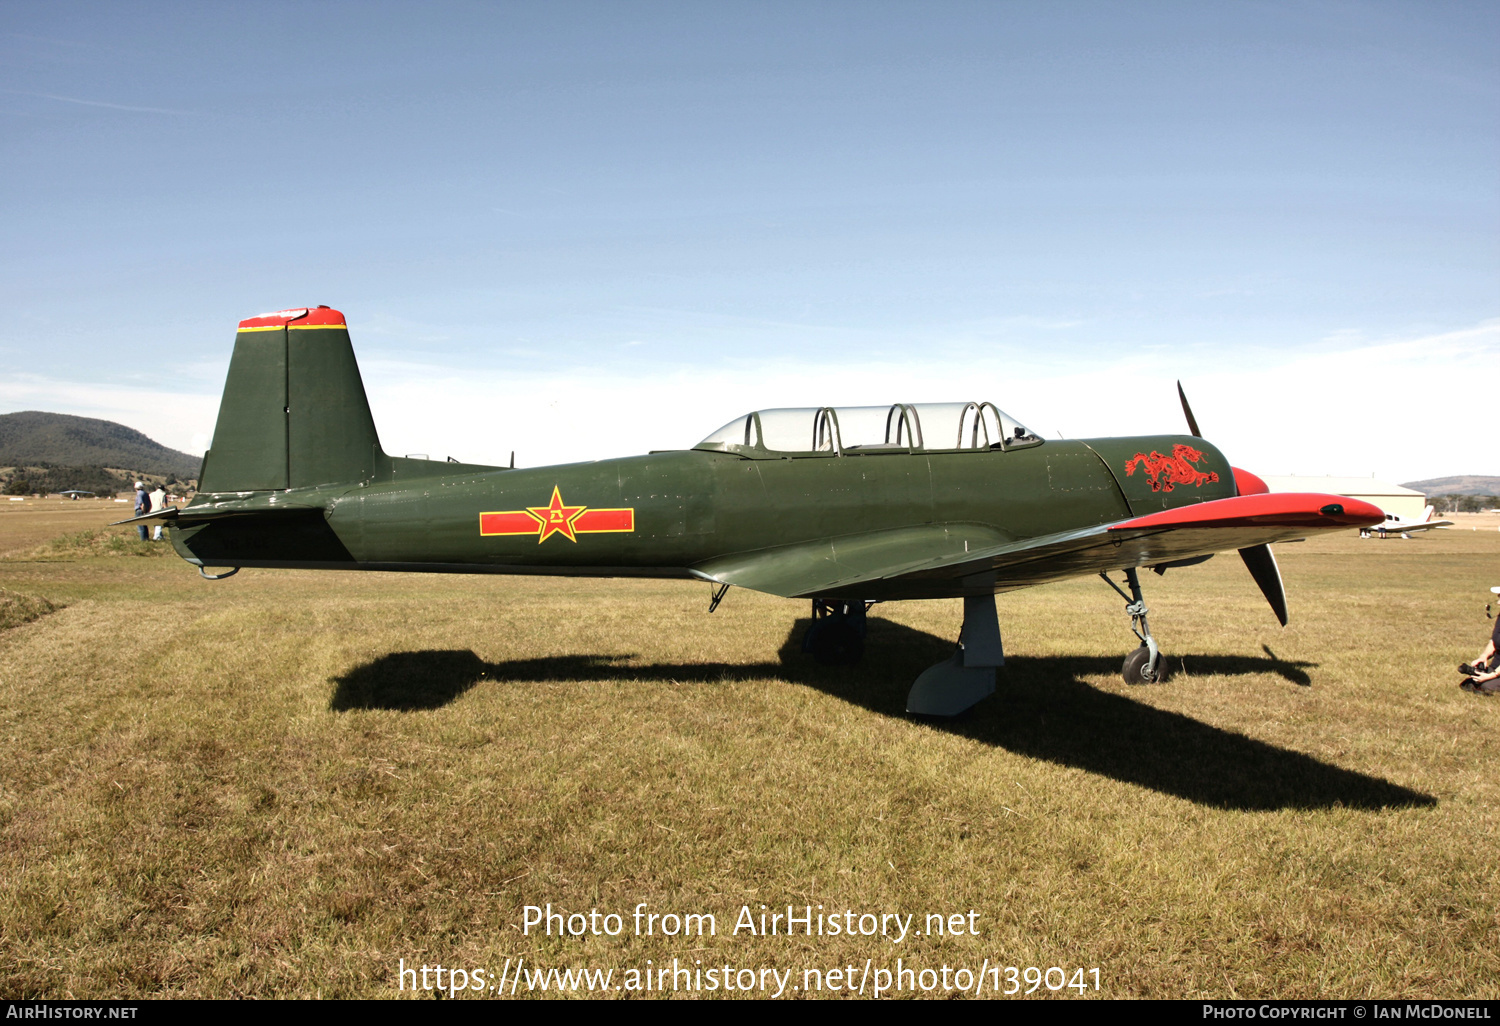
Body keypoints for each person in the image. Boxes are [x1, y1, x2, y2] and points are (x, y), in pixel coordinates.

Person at [1460, 587, 1500, 696]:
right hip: (1496, 667)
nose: (1498, 602)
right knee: (1469, 682)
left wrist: (1492, 676)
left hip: (1498, 671)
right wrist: (1483, 657)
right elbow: (1494, 640)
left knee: (1485, 686)